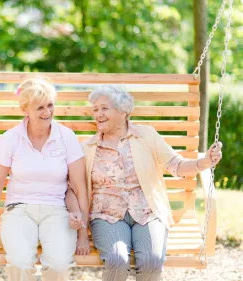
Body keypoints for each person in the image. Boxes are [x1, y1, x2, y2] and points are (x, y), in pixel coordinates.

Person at [67, 85, 223, 281]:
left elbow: (176, 165)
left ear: (123, 111)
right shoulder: (88, 147)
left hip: (148, 212)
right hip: (106, 215)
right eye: (95, 109)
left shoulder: (146, 135)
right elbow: (73, 187)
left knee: (152, 262)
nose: (98, 114)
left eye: (104, 108)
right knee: (116, 262)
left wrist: (205, 162)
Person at [0, 77, 90, 281]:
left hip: (56, 211)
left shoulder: (67, 137)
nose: (47, 112)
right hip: (19, 210)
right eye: (39, 108)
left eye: (50, 105)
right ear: (25, 109)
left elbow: (80, 189)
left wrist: (83, 235)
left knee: (59, 264)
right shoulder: (10, 139)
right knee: (19, 262)